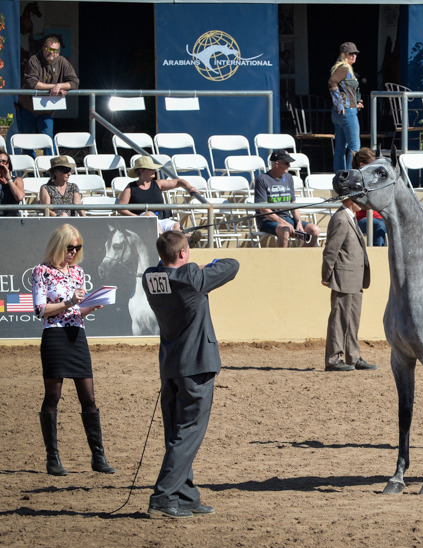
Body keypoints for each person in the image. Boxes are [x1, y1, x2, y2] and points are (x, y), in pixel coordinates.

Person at [142, 230, 240, 519]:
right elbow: (231, 264)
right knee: (187, 433)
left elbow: (165, 268)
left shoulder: (151, 276)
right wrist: (200, 267)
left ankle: (185, 495)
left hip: (171, 365)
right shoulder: (192, 278)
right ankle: (163, 497)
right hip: (195, 365)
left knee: (177, 432)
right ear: (183, 254)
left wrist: (188, 266)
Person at [32, 224, 114, 476]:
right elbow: (40, 310)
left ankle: (98, 456)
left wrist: (93, 304)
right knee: (53, 396)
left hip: (77, 334)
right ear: (59, 245)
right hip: (55, 336)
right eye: (70, 248)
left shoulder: (77, 272)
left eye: (77, 248)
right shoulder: (42, 272)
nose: (74, 252)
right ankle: (52, 457)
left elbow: (76, 312)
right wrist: (69, 302)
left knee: (88, 397)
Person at [321, 195, 376, 372]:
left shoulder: (348, 217)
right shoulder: (340, 218)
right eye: (358, 199)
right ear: (349, 201)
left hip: (355, 277)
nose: (362, 202)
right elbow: (331, 250)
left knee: (353, 319)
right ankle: (333, 359)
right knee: (339, 320)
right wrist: (327, 275)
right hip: (344, 277)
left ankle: (353, 356)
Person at [117, 157, 202, 240]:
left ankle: (188, 238)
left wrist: (189, 187)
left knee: (176, 225)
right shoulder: (131, 188)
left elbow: (178, 182)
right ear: (141, 170)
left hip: (160, 219)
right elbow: (121, 208)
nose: (154, 170)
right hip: (142, 222)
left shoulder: (158, 184)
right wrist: (136, 217)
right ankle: (163, 239)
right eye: (151, 168)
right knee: (150, 215)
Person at [16, 35, 80, 144]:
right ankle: (30, 160)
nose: (51, 52)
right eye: (48, 49)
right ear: (43, 48)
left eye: (55, 50)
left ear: (59, 52)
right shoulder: (34, 60)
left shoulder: (62, 62)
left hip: (46, 110)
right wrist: (55, 87)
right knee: (27, 142)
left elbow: (75, 82)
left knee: (48, 141)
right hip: (28, 108)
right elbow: (32, 83)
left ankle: (49, 161)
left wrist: (60, 86)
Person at [253, 150, 320, 247]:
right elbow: (263, 209)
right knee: (285, 230)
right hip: (266, 220)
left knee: (315, 230)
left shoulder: (288, 177)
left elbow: (293, 203)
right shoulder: (262, 179)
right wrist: (283, 223)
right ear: (277, 164)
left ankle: (301, 259)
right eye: (287, 163)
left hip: (286, 218)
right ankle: (282, 261)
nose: (289, 166)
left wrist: (299, 222)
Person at [329, 42, 364, 173]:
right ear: (344, 55)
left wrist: (356, 102)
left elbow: (345, 89)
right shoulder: (344, 68)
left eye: (355, 53)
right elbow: (332, 82)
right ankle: (351, 176)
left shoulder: (343, 68)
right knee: (354, 146)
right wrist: (339, 102)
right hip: (346, 111)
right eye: (351, 53)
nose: (354, 56)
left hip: (341, 112)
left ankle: (340, 175)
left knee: (340, 147)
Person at [351, 147, 386, 246]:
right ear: (362, 165)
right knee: (379, 225)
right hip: (362, 219)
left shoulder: (375, 179)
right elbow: (355, 206)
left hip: (380, 217)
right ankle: (377, 253)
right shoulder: (354, 180)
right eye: (372, 165)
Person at [0, 151, 25, 216]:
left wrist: (9, 179)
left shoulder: (17, 180)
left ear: (8, 164)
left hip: (12, 219)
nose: (1, 164)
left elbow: (19, 197)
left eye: (3, 162)